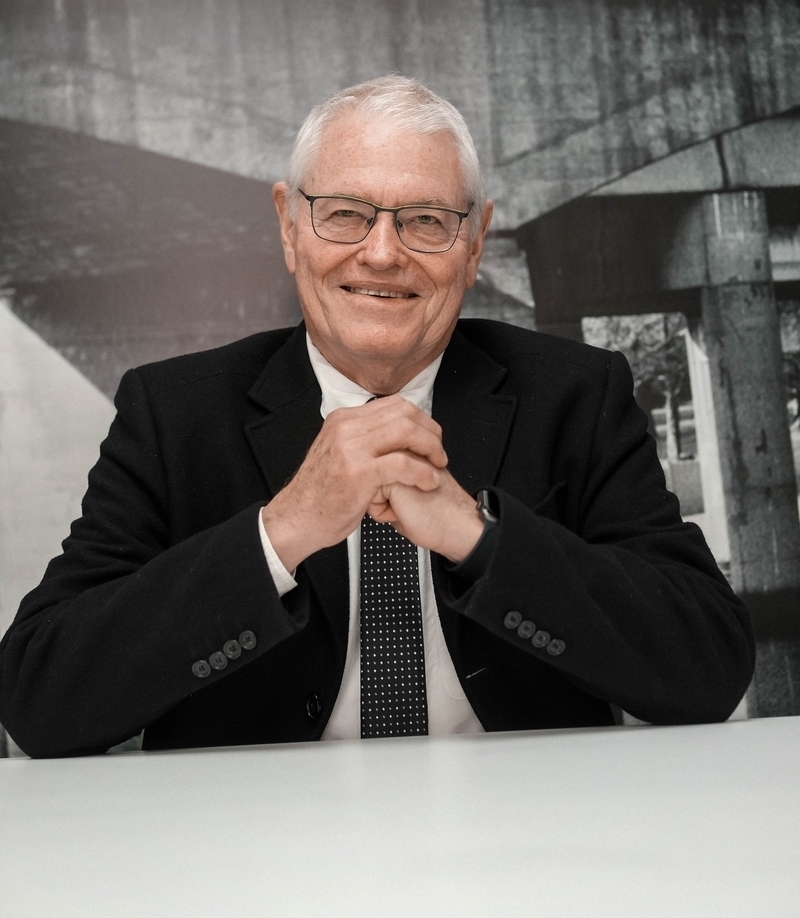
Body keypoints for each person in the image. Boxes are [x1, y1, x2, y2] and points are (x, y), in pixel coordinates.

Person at [0, 75, 754, 757]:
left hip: (527, 830)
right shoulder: (173, 412)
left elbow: (709, 668)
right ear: (288, 226)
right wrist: (281, 532)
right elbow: (39, 698)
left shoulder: (577, 396)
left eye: (425, 220)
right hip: (255, 841)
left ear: (475, 242)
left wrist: (482, 541)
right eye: (345, 215)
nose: (383, 254)